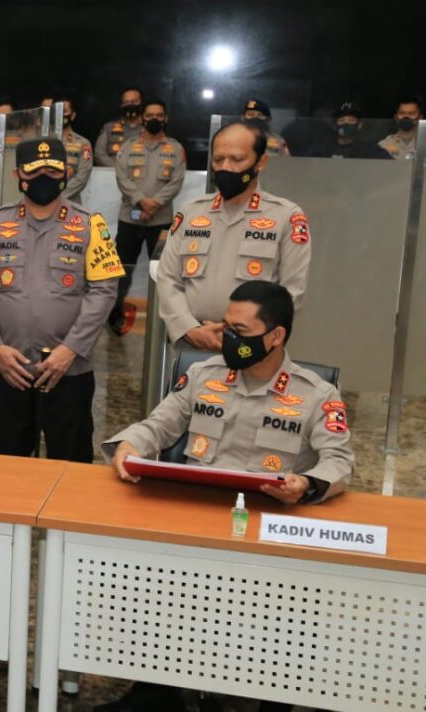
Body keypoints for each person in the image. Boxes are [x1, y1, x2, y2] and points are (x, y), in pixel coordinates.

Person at [99, 282, 354, 712]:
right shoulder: (205, 375)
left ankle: (267, 696)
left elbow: (340, 460)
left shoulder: (316, 395)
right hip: (198, 521)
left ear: (275, 336)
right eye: (225, 326)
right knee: (145, 574)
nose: (227, 337)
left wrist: (306, 484)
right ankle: (156, 688)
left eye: (240, 330)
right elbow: (159, 425)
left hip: (266, 531)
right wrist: (130, 445)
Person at [0, 137, 123, 461]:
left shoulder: (90, 225)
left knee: (71, 463)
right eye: (35, 171)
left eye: (52, 170)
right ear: (18, 175)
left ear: (66, 172)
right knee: (6, 463)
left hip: (70, 369)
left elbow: (104, 290)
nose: (44, 178)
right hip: (10, 368)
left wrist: (71, 349)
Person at [158, 121, 311, 351]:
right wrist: (189, 329)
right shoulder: (191, 212)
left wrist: (243, 335)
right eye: (218, 159)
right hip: (192, 345)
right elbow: (168, 278)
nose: (226, 167)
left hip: (252, 349)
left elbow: (292, 292)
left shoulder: (286, 216)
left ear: (261, 162)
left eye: (237, 159)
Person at [108, 98, 185, 336]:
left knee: (165, 271)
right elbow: (122, 178)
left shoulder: (176, 149)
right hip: (130, 217)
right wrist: (141, 200)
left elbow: (176, 181)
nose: (154, 119)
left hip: (161, 220)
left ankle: (164, 320)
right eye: (149, 115)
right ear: (143, 118)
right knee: (121, 269)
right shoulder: (128, 146)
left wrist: (154, 204)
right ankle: (114, 313)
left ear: (166, 119)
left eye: (159, 115)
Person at [93, 86, 143, 166]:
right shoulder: (109, 128)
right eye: (126, 102)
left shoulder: (149, 129)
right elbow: (99, 155)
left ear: (141, 104)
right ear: (121, 106)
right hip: (113, 171)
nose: (130, 105)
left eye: (133, 102)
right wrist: (118, 168)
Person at [58, 97, 93, 202]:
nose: (60, 115)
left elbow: (82, 176)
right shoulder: (43, 142)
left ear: (72, 116)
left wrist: (56, 196)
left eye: (64, 111)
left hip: (70, 202)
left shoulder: (84, 144)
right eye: (58, 111)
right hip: (42, 203)